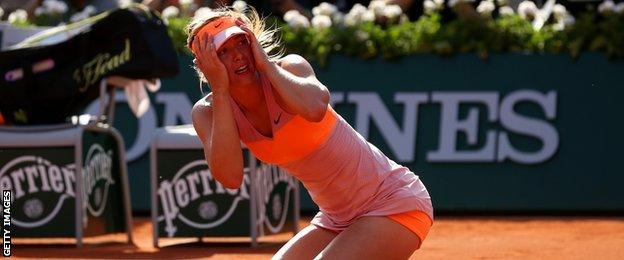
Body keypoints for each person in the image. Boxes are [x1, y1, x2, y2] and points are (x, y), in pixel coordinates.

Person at [188, 6, 433, 259]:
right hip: (336, 219)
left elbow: (315, 108)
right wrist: (219, 89)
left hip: (394, 202)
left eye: (242, 43)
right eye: (223, 52)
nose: (238, 55)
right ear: (206, 64)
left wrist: (266, 65)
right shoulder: (207, 112)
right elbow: (230, 177)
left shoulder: (290, 67)